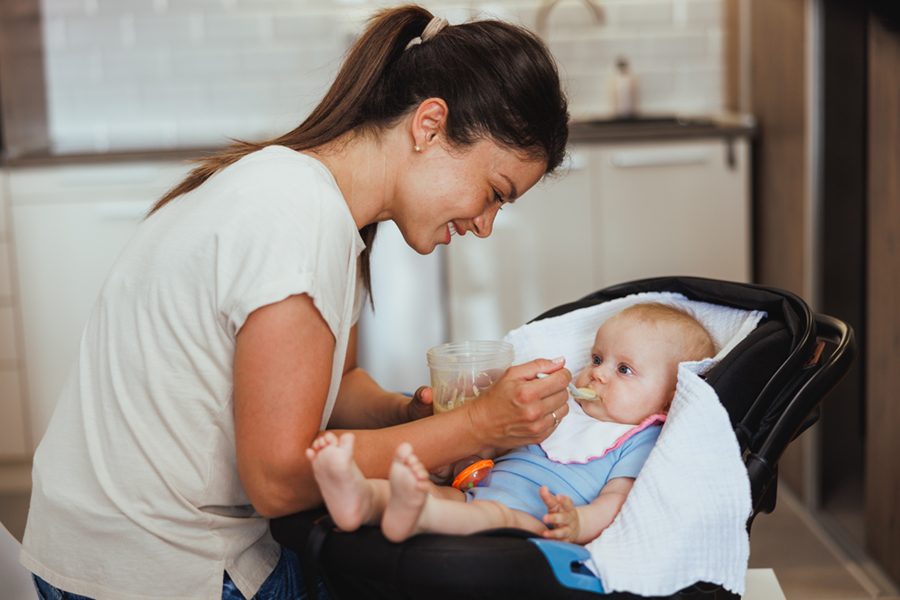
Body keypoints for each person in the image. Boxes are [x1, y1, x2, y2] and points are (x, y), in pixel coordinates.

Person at [21, 5, 571, 600]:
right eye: (493, 193)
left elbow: (334, 390)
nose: (485, 225)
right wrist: (475, 428)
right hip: (158, 571)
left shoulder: (316, 205)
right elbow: (279, 479)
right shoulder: (294, 217)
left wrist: (405, 416)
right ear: (430, 124)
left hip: (97, 553)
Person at [308, 302, 716, 545]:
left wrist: (577, 524)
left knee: (490, 517)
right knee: (442, 497)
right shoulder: (562, 409)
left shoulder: (639, 439)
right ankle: (362, 498)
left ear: (668, 396)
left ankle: (412, 513)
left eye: (624, 369)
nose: (598, 374)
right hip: (480, 492)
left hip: (533, 524)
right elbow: (509, 446)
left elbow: (617, 503)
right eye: (596, 359)